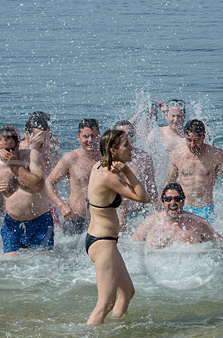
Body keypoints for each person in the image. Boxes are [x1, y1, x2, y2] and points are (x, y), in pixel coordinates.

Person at [85, 129, 150, 325]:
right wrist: (126, 170)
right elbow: (143, 197)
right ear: (113, 150)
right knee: (105, 304)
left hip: (103, 240)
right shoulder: (108, 176)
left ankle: (117, 330)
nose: (131, 148)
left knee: (127, 292)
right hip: (102, 242)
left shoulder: (99, 166)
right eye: (126, 145)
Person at [0, 126, 52, 255]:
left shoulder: (31, 156)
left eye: (9, 149)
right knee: (11, 265)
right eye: (0, 150)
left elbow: (38, 185)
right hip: (12, 224)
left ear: (18, 145)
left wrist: (15, 165)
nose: (4, 154)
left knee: (41, 265)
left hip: (39, 222)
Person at [166, 119, 223, 224]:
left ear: (203, 137)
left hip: (205, 208)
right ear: (185, 136)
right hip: (182, 207)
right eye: (189, 140)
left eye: (196, 140)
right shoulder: (177, 154)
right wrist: (160, 207)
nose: (192, 144)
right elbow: (170, 183)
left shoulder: (216, 155)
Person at [46, 118, 101, 235]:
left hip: (100, 218)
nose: (90, 140)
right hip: (76, 218)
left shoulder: (106, 158)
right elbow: (49, 182)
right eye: (86, 136)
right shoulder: (71, 159)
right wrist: (61, 206)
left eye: (94, 136)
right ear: (78, 137)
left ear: (99, 135)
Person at [132, 183, 223, 248]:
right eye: (168, 199)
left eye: (177, 199)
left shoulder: (198, 224)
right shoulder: (150, 223)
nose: (172, 203)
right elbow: (132, 245)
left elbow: (220, 241)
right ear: (163, 202)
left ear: (183, 201)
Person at [114, 120, 158, 227]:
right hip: (116, 212)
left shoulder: (144, 157)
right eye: (123, 135)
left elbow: (151, 186)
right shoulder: (111, 158)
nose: (128, 138)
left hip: (140, 212)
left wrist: (155, 211)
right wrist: (121, 214)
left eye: (130, 134)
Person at [21, 113, 59, 181]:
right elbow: (22, 171)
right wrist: (33, 148)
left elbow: (58, 172)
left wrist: (48, 149)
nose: (40, 140)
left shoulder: (50, 145)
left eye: (42, 137)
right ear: (27, 134)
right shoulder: (21, 146)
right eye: (37, 137)